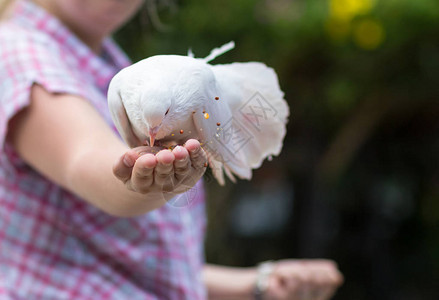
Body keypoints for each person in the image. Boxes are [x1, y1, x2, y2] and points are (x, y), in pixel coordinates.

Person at [0, 0, 343, 299]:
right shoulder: (19, 54)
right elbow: (84, 161)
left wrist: (255, 284)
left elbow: (124, 264)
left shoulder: (107, 63)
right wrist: (142, 179)